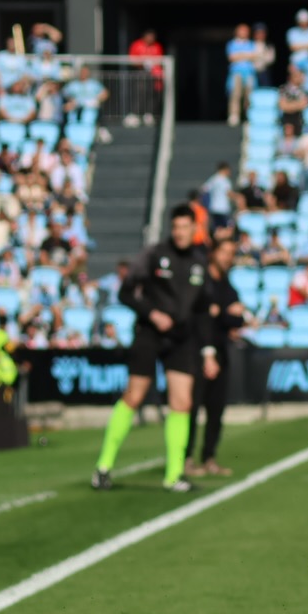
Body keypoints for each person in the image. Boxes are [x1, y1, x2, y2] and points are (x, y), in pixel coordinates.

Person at [93, 204, 214, 492]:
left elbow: (203, 311)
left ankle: (174, 476)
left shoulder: (200, 263)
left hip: (182, 339)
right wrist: (152, 313)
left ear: (194, 229)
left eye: (185, 227)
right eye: (176, 227)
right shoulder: (154, 255)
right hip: (149, 334)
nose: (180, 232)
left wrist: (208, 351)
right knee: (133, 396)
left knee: (182, 403)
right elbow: (125, 292)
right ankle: (103, 467)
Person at [186, 235, 246, 477]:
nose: (228, 258)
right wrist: (225, 314)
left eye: (232, 253)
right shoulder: (203, 281)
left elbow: (238, 318)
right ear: (214, 253)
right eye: (224, 252)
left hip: (221, 353)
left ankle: (209, 457)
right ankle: (187, 459)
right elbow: (202, 317)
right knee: (191, 408)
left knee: (216, 410)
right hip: (197, 352)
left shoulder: (227, 284)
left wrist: (220, 313)